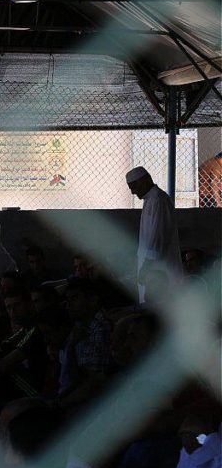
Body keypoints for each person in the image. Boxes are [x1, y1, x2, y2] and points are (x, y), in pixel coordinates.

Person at [126, 166, 183, 303]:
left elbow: (157, 237)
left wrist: (146, 266)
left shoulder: (158, 200)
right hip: (153, 267)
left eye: (134, 187)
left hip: (158, 270)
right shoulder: (151, 200)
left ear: (144, 181)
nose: (133, 192)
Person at [57, 278, 112, 410]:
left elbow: (88, 384)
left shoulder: (99, 328)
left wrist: (70, 348)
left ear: (93, 300)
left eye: (75, 298)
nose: (69, 305)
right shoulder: (81, 324)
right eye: (67, 300)